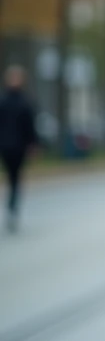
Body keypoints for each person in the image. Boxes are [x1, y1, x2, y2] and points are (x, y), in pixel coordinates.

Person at [0, 65, 39, 233]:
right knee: (15, 177)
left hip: (10, 146)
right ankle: (13, 204)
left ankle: (12, 204)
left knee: (13, 176)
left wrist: (33, 143)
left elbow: (30, 127)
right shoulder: (24, 102)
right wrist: (33, 143)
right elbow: (30, 127)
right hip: (14, 146)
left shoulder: (9, 101)